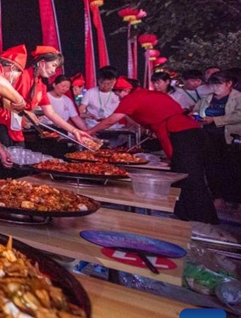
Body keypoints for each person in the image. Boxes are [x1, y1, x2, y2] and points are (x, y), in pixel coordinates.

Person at [89, 77, 225, 238]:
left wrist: (89, 132)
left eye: (118, 92)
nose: (118, 96)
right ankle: (186, 215)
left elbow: (111, 121)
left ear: (126, 90)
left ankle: (202, 220)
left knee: (189, 177)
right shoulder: (149, 94)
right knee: (184, 174)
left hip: (181, 133)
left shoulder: (132, 98)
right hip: (190, 132)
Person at [193, 71, 241, 206]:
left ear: (229, 84)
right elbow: (197, 109)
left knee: (232, 168)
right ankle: (217, 196)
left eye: (218, 85)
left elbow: (238, 115)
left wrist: (215, 120)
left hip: (230, 139)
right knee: (212, 167)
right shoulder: (207, 98)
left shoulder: (238, 98)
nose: (215, 88)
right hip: (209, 137)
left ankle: (235, 200)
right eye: (212, 85)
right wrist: (196, 116)